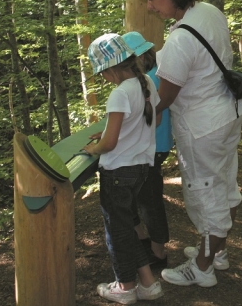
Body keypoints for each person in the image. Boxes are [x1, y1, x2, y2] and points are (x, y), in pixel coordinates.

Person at [137, 0, 242, 288]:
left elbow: (164, 97)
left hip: (202, 129)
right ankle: (218, 251)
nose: (150, 6)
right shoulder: (209, 11)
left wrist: (137, 118)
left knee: (206, 194)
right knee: (225, 186)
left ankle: (202, 267)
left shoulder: (179, 40)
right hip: (227, 113)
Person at [83, 33, 164, 304]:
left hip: (117, 172)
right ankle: (148, 283)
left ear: (111, 69)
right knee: (127, 227)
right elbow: (141, 124)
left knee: (117, 233)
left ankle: (125, 287)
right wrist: (107, 134)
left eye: (102, 72)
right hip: (140, 168)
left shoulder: (119, 93)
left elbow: (110, 143)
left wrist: (93, 148)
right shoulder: (147, 85)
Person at [121, 31, 172, 270]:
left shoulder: (151, 79)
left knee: (149, 200)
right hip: (149, 147)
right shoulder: (151, 77)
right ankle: (143, 238)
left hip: (153, 148)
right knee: (136, 195)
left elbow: (155, 119)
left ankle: (158, 253)